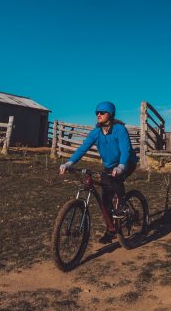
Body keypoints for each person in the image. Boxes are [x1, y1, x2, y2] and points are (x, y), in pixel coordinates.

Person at [59, 101, 138, 244]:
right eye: (97, 112)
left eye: (102, 112)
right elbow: (83, 148)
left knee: (116, 180)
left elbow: (125, 150)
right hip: (109, 166)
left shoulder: (120, 129)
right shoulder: (96, 132)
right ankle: (111, 230)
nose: (98, 115)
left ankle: (123, 205)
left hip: (126, 162)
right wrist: (69, 163)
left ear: (111, 114)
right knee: (105, 199)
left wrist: (121, 166)